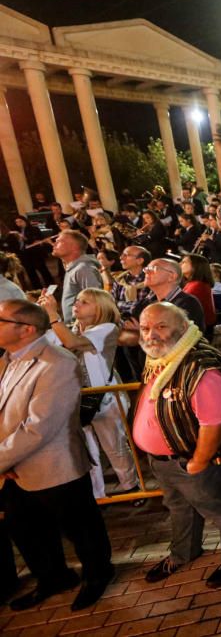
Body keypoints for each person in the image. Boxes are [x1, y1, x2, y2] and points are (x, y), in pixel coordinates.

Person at [0, 300, 114, 611]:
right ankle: (53, 578)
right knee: (26, 529)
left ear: (26, 329)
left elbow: (39, 427)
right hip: (13, 469)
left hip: (55, 464)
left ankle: (97, 575)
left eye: (0, 319)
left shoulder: (57, 362)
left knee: (80, 527)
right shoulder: (7, 360)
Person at [134, 303, 221, 588]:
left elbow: (215, 421)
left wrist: (199, 461)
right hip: (165, 459)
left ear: (181, 328)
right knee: (179, 506)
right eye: (144, 328)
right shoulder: (161, 357)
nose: (151, 334)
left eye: (161, 327)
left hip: (192, 459)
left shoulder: (201, 366)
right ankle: (183, 553)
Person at [38, 288, 139, 499]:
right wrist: (42, 316)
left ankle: (131, 487)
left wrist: (53, 316)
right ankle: (98, 495)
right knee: (87, 450)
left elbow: (72, 343)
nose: (77, 304)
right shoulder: (69, 328)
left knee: (115, 445)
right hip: (77, 399)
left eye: (84, 302)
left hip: (106, 397)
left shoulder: (107, 328)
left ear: (100, 308)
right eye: (77, 300)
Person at [51, 230, 103, 323]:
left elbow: (96, 302)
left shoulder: (83, 269)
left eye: (59, 242)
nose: (54, 245)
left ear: (74, 247)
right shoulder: (74, 267)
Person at [180, 254, 217, 331]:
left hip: (200, 330)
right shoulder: (194, 283)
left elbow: (182, 307)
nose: (180, 264)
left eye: (184, 262)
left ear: (195, 266)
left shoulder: (198, 285)